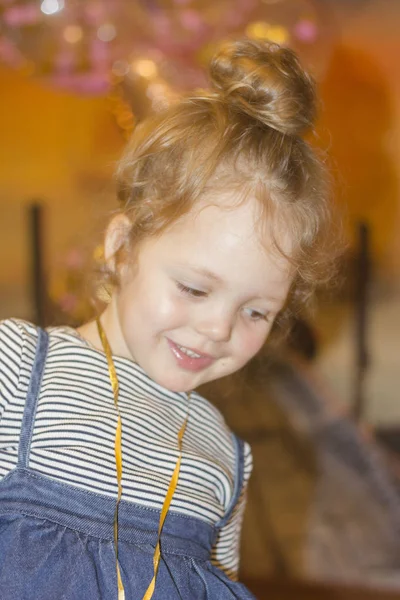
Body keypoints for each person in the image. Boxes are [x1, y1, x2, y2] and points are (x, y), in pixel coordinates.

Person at [0, 39, 338, 599]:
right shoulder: (19, 369)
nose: (217, 328)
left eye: (256, 311)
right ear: (122, 247)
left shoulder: (227, 456)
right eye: (194, 287)